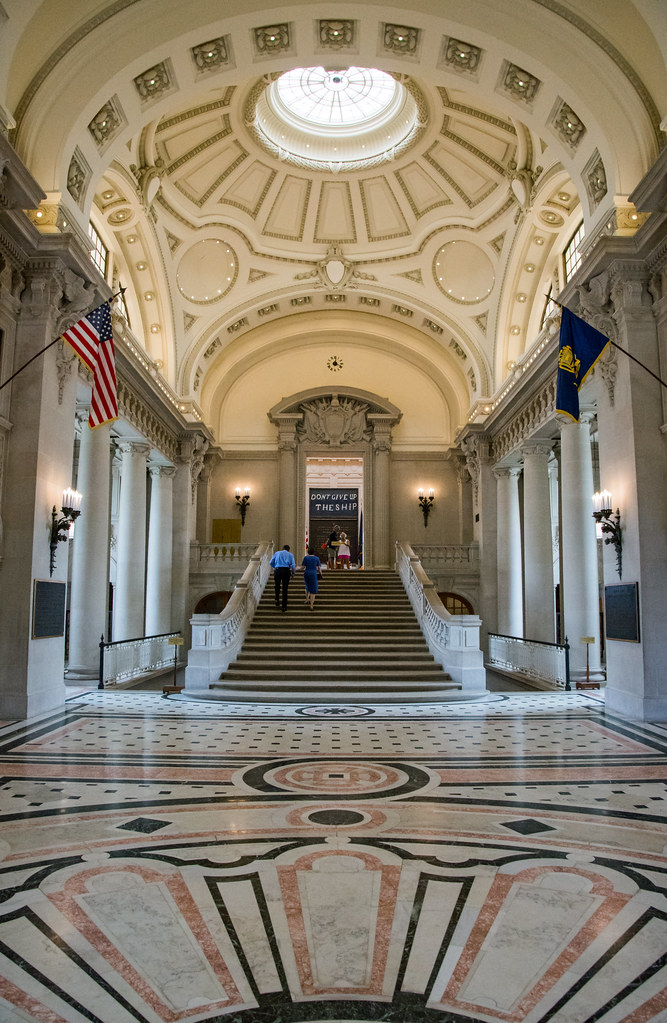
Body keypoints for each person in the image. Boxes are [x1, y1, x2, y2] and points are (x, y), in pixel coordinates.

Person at [270, 544, 296, 611]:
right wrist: (293, 573)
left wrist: (275, 567)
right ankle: (284, 606)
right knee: (285, 588)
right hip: (286, 571)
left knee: (277, 585)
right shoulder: (290, 555)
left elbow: (271, 562)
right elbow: (293, 565)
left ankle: (277, 599)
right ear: (288, 550)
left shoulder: (277, 553)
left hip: (278, 570)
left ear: (283, 548)